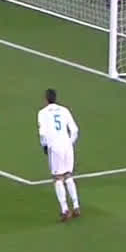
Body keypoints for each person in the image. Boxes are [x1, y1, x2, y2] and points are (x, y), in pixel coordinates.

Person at [37, 89, 80, 222]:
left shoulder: (42, 113)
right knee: (68, 175)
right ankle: (76, 206)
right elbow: (75, 129)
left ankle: (64, 209)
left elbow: (42, 133)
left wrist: (44, 146)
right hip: (67, 145)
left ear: (46, 99)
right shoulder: (64, 110)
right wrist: (70, 143)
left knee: (57, 178)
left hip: (54, 147)